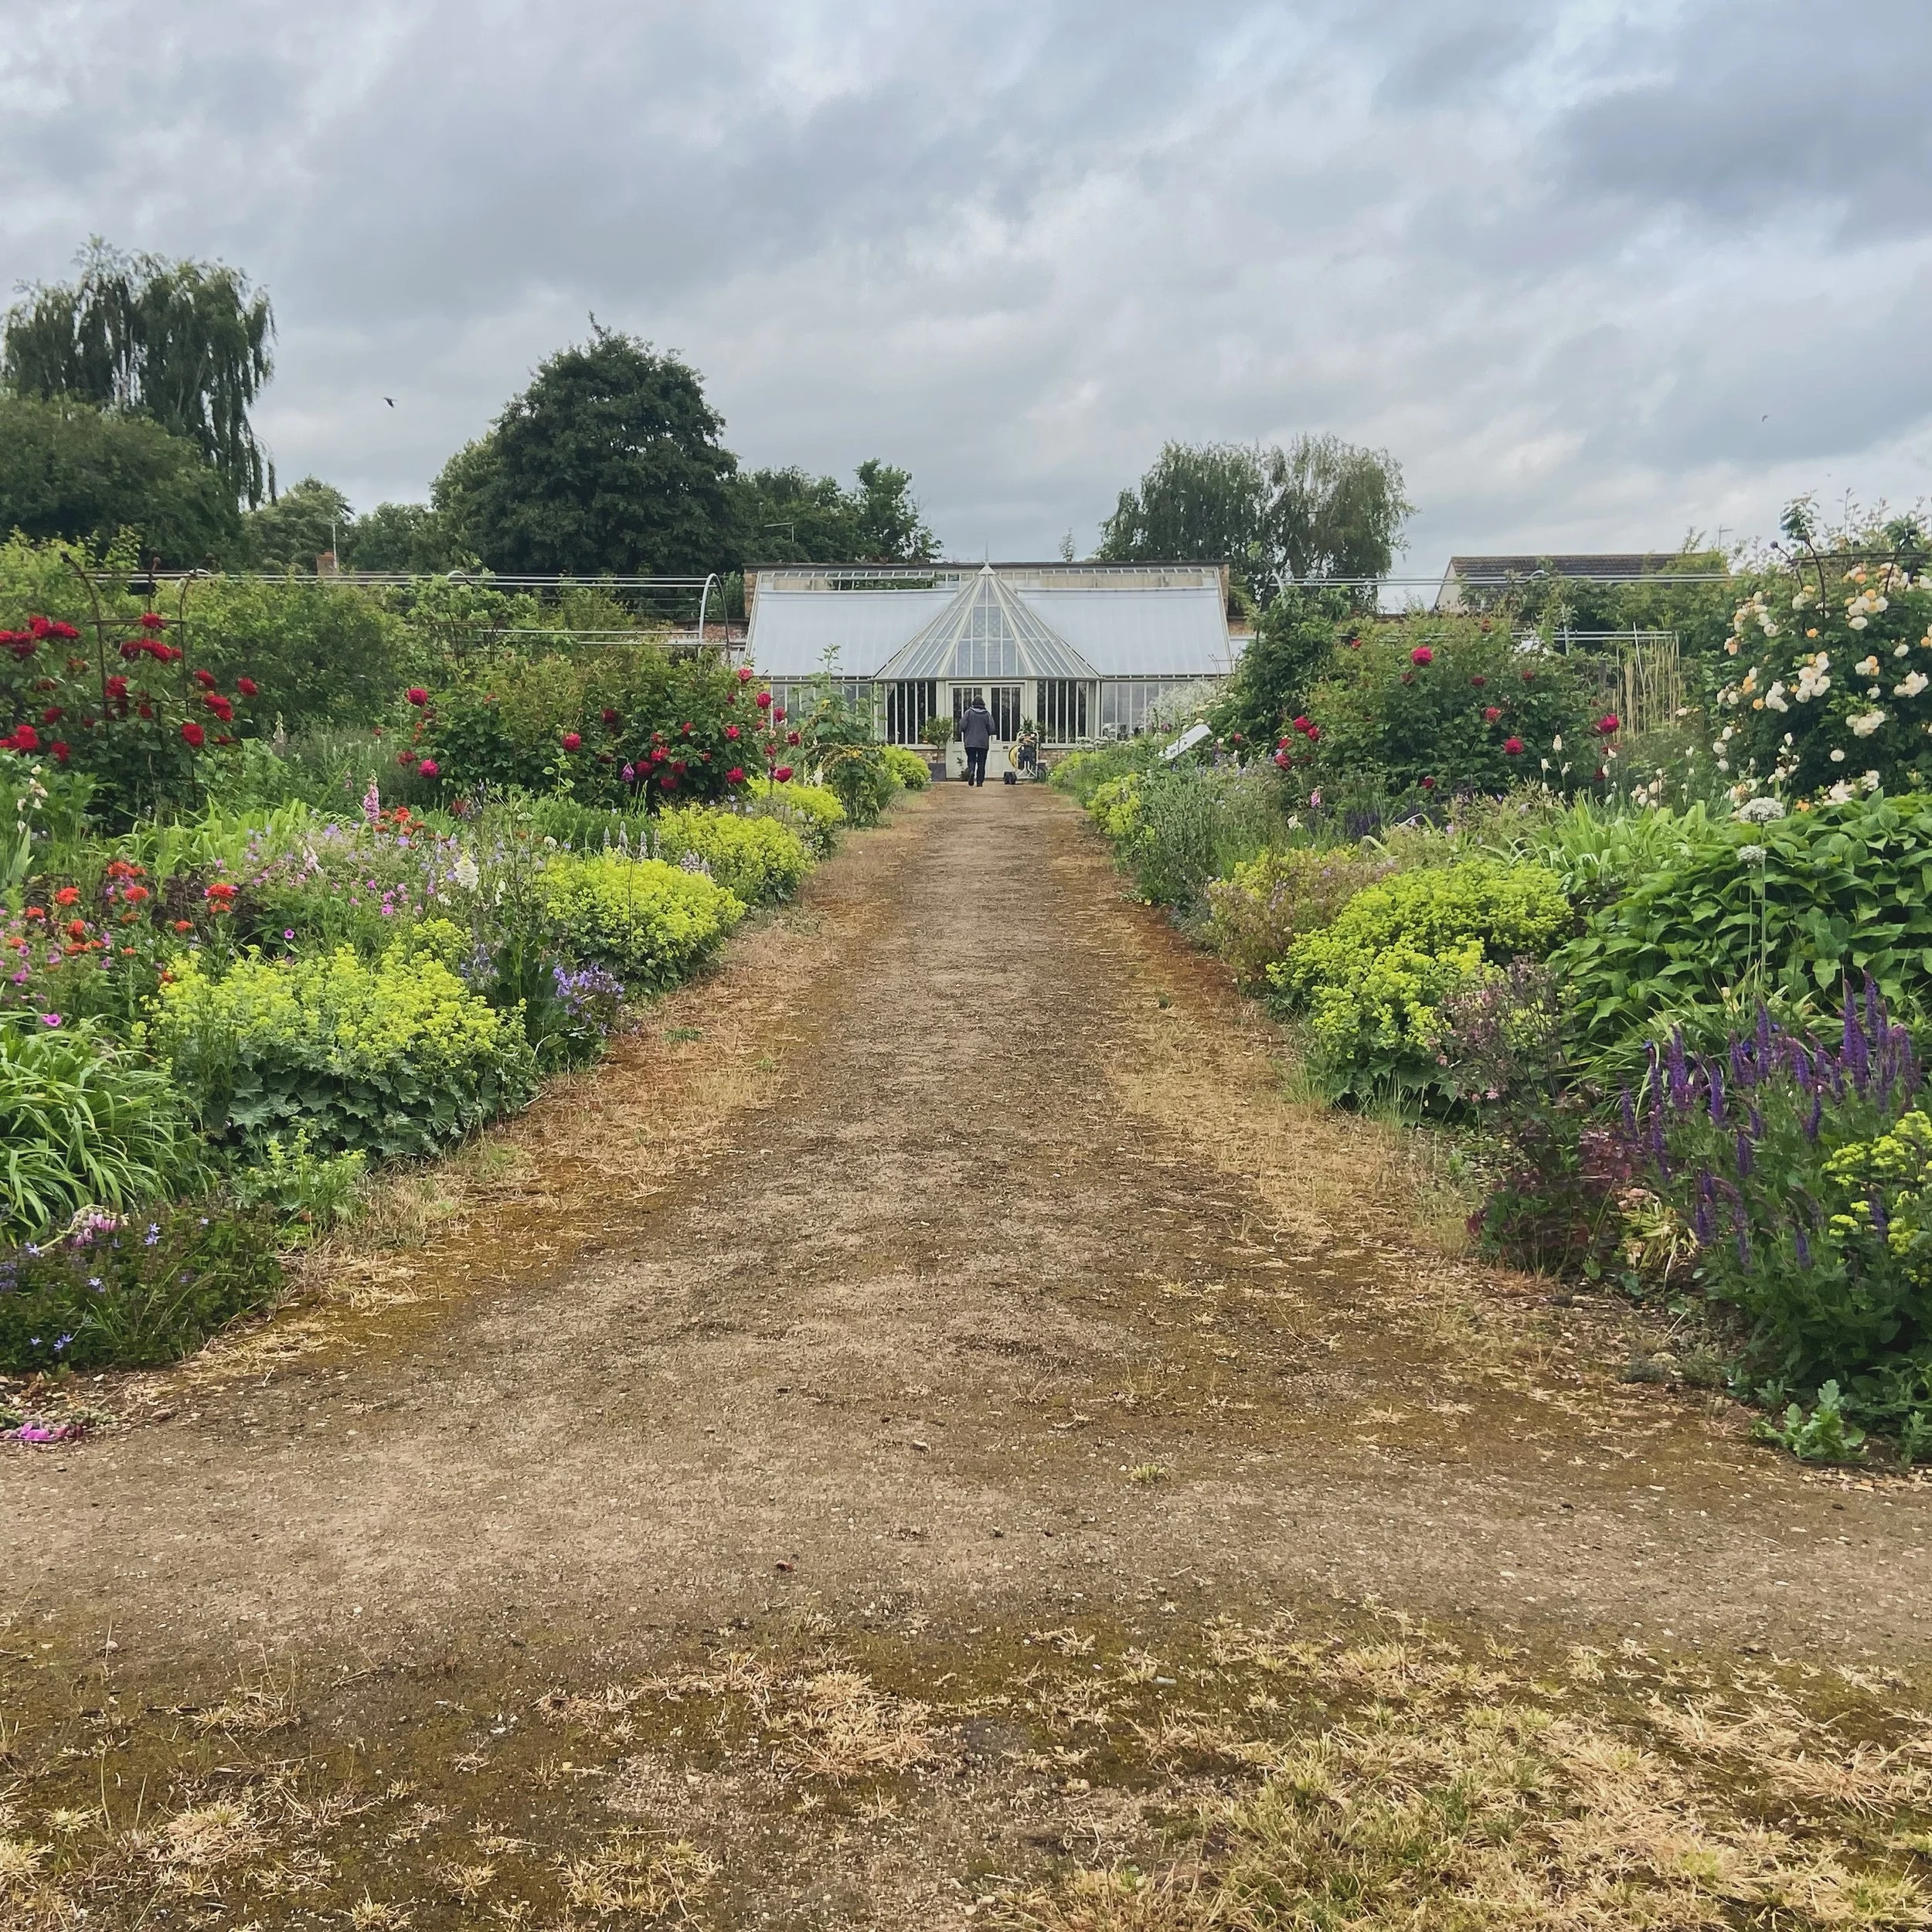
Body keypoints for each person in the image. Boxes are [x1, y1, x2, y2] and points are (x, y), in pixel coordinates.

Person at [959, 695, 992, 786]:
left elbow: (962, 726)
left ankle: (971, 771)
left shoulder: (968, 713)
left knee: (971, 759)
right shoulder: (986, 714)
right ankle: (979, 782)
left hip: (970, 742)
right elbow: (992, 729)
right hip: (983, 743)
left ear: (973, 703)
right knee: (982, 762)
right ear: (983, 704)